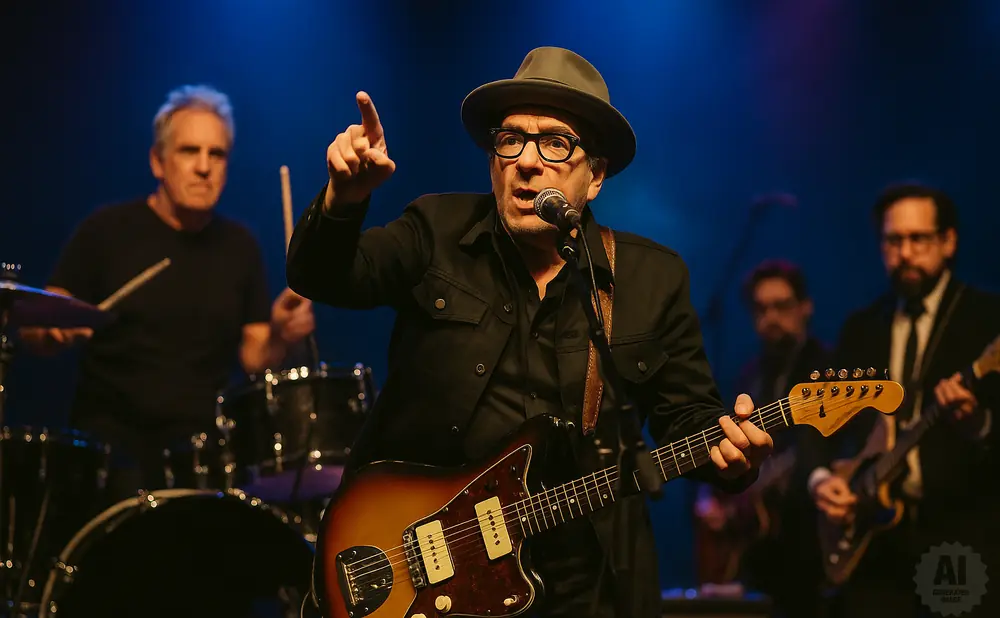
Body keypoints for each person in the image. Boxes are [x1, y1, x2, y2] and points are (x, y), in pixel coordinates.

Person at [286, 47, 774, 618]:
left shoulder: (650, 278)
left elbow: (687, 415)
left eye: (555, 143)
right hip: (419, 559)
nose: (526, 162)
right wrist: (343, 200)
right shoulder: (436, 230)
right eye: (511, 139)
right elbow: (320, 276)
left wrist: (733, 455)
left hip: (582, 582)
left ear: (595, 176)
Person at [19, 84, 316, 501]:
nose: (203, 167)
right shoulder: (106, 230)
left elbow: (254, 357)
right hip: (111, 448)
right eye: (189, 151)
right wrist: (51, 332)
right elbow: (34, 321)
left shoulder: (240, 246)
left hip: (202, 452)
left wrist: (281, 335)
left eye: (216, 154)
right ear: (157, 161)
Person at [805, 182, 1000, 617]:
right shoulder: (861, 327)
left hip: (964, 540)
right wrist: (821, 480)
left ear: (948, 242)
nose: (905, 253)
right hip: (875, 553)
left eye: (919, 239)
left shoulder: (987, 318)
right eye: (893, 241)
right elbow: (816, 419)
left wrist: (979, 424)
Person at [693, 259, 830, 617]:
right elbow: (725, 437)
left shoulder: (824, 370)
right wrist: (712, 496)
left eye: (781, 306)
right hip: (756, 553)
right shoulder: (750, 374)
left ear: (805, 307)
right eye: (761, 308)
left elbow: (815, 452)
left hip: (806, 546)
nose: (771, 317)